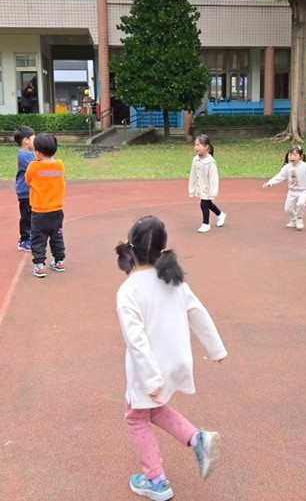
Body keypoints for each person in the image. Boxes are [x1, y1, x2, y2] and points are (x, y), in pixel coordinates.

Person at [114, 215, 227, 501]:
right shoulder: (173, 281)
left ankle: (156, 480)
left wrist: (151, 378)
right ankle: (197, 439)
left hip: (151, 368)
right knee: (152, 410)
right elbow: (198, 313)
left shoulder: (129, 290)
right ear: (163, 250)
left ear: (131, 249)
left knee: (135, 418)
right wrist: (216, 349)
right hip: (176, 362)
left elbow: (136, 340)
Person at [24, 133, 66, 278]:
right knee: (57, 236)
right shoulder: (59, 164)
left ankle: (39, 266)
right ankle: (59, 261)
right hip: (57, 210)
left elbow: (28, 180)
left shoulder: (34, 166)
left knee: (38, 238)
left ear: (38, 152)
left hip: (40, 211)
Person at [262, 145, 306, 230]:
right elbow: (279, 176)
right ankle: (294, 220)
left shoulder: (305, 166)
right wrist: (270, 182)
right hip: (291, 191)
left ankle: (299, 218)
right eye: (290, 155)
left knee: (301, 203)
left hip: (302, 191)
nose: (292, 157)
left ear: (301, 156)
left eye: (295, 155)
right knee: (288, 209)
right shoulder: (287, 167)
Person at [188, 134, 226, 233]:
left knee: (204, 203)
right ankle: (220, 214)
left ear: (206, 147)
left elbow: (214, 178)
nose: (196, 147)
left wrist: (213, 192)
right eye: (195, 145)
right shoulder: (195, 159)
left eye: (198, 145)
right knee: (208, 203)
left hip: (207, 187)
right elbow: (193, 174)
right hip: (199, 186)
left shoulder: (211, 162)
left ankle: (206, 223)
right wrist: (192, 188)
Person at [13, 126, 36, 252]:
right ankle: (24, 240)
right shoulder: (23, 155)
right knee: (26, 216)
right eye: (34, 138)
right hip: (25, 192)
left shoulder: (29, 154)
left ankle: (30, 237)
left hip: (31, 191)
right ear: (26, 141)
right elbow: (35, 167)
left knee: (32, 215)